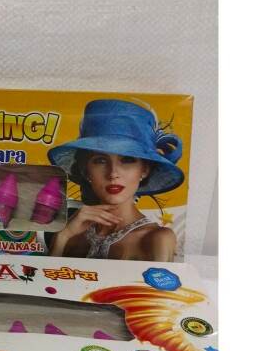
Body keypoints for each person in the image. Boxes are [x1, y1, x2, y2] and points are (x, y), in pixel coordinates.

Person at [46, 99, 185, 261]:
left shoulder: (157, 239)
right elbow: (44, 277)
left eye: (127, 160)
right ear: (86, 170)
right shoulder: (71, 233)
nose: (113, 174)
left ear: (145, 170)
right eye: (100, 160)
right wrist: (62, 236)